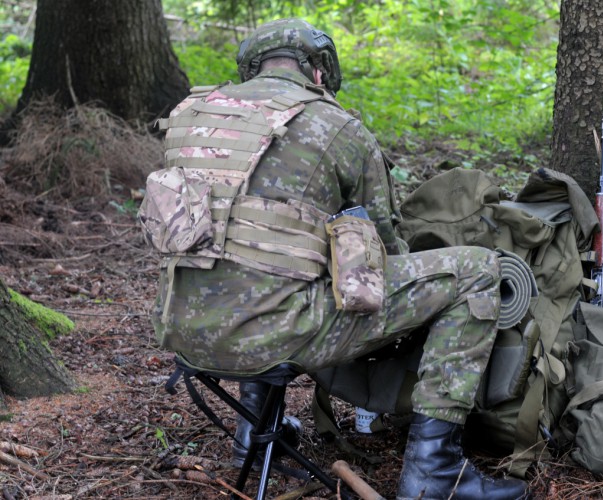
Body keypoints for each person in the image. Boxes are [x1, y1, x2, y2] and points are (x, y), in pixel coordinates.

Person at [144, 18, 529, 500]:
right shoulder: (337, 126)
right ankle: (435, 471)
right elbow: (385, 254)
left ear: (252, 69)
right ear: (319, 73)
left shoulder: (191, 117)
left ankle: (252, 438)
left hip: (182, 333)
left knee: (256, 271)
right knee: (477, 271)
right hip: (277, 337)